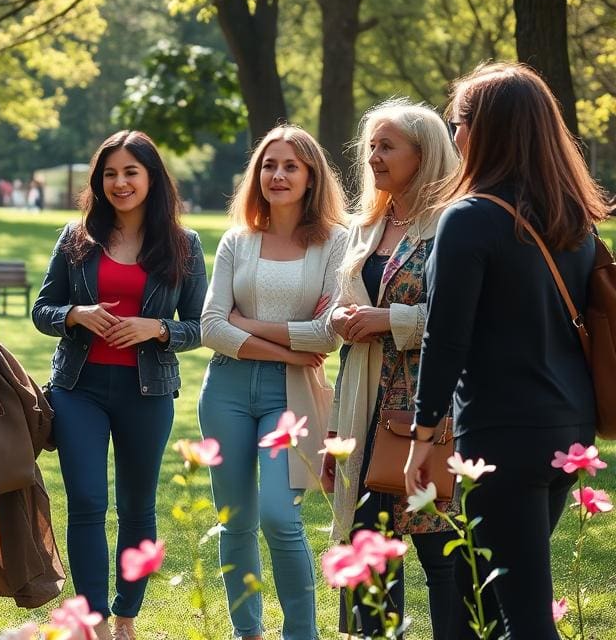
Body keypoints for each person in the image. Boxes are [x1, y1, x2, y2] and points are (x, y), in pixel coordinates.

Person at [404, 63, 609, 639]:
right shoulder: (575, 219)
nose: (454, 134)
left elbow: (446, 337)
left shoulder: (470, 219)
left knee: (521, 616)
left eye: (458, 121)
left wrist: (422, 439)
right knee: (480, 605)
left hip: (503, 436)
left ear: (486, 129)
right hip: (569, 427)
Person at [32, 130, 207, 640]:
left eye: (131, 172)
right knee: (86, 501)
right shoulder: (76, 238)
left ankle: (126, 613)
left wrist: (159, 329)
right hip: (78, 388)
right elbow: (42, 311)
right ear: (98, 181)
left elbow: (200, 325)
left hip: (146, 393)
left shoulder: (183, 244)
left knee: (136, 506)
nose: (120, 182)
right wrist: (75, 314)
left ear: (152, 178)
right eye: (110, 173)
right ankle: (93, 622)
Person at [199, 125, 348, 640]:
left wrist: (250, 325)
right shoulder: (237, 240)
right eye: (268, 165)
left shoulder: (336, 242)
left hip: (296, 395)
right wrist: (287, 347)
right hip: (226, 392)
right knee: (235, 520)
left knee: (280, 518)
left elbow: (328, 334)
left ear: (311, 177)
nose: (277, 175)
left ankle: (300, 635)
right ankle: (248, 633)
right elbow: (210, 326)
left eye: (290, 166)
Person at [325, 99, 460, 638]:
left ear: (423, 155)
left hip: (423, 405)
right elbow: (347, 298)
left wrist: (389, 319)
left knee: (437, 542)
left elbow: (461, 318)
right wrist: (341, 315)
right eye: (371, 146)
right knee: (368, 541)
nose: (374, 157)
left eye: (388, 146)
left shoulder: (449, 224)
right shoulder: (366, 224)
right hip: (364, 399)